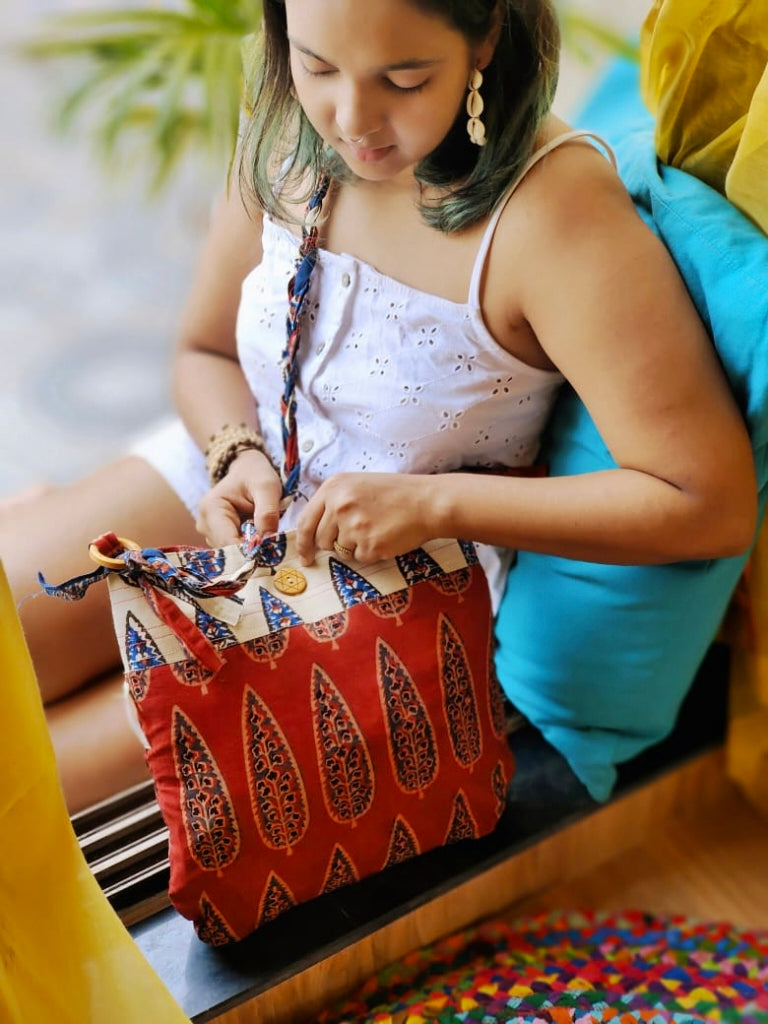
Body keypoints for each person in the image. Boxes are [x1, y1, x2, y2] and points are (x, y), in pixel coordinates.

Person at [0, 0, 756, 815]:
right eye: (318, 66)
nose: (351, 121)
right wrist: (235, 453)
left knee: (28, 783)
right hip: (236, 481)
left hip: (394, 579)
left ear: (487, 36)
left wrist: (434, 502)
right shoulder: (291, 125)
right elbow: (205, 353)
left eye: (404, 79)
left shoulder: (556, 215)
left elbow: (706, 504)